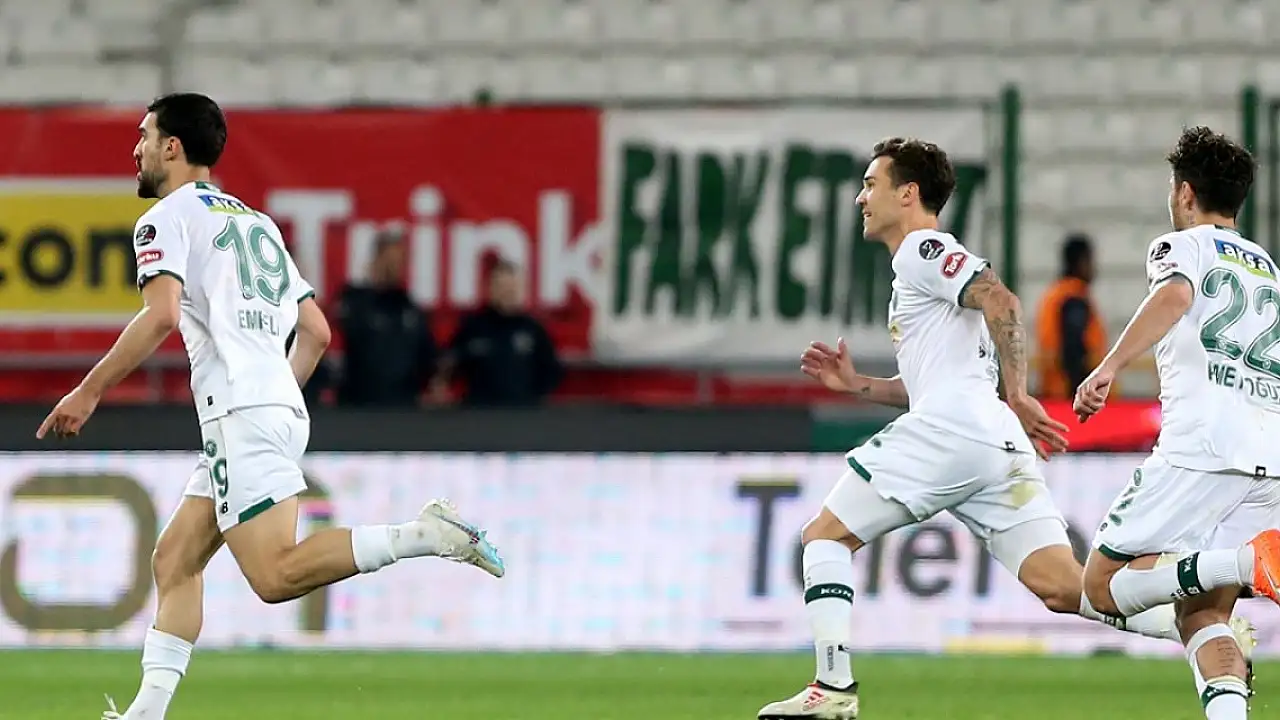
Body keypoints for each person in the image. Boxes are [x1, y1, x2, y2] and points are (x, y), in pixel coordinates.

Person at [33, 93, 506, 720]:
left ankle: (424, 535)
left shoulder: (165, 218)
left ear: (172, 147)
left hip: (240, 411)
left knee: (275, 575)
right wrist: (273, 397)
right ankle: (146, 714)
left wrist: (89, 389)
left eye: (145, 136)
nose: (136, 148)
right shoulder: (257, 223)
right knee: (175, 560)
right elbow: (316, 331)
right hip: (274, 404)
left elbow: (162, 315)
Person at [757, 137, 1250, 720]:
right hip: (990, 442)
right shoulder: (915, 271)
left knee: (823, 538)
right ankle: (1201, 629)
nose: (861, 198)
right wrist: (858, 385)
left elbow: (1001, 299)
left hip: (953, 432)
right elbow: (931, 382)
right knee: (1066, 588)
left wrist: (1018, 393)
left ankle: (832, 688)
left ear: (908, 193)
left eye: (871, 185)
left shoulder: (922, 249)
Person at [1075, 126, 1278, 720]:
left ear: (1185, 193)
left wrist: (1108, 367)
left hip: (1202, 447)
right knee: (1205, 613)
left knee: (1100, 585)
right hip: (1267, 455)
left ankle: (1248, 564)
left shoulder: (1181, 246)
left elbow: (1174, 298)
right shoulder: (1267, 268)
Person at [333, 228, 439, 407]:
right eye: (389, 260)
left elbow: (428, 358)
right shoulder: (354, 299)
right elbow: (345, 335)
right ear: (376, 260)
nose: (393, 267)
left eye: (398, 261)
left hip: (404, 407)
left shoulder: (410, 309)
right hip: (358, 406)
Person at [435, 259, 562, 406]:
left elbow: (552, 371)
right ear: (490, 289)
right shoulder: (472, 327)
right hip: (479, 413)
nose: (507, 292)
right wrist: (441, 384)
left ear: (522, 290)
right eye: (501, 286)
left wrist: (532, 400)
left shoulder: (534, 330)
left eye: (512, 287)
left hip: (521, 414)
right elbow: (449, 363)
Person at [1036, 233, 1107, 398]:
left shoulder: (1056, 293)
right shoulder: (1073, 299)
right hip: (1070, 394)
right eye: (1090, 261)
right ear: (1081, 262)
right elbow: (1073, 353)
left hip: (1055, 389)